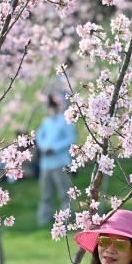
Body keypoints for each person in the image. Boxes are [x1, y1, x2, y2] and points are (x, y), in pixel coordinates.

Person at [36, 93, 77, 226]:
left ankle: (67, 219)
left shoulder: (66, 121)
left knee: (65, 193)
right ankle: (44, 219)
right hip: (46, 164)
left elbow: (71, 139)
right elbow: (39, 136)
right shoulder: (46, 121)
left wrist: (54, 148)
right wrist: (44, 147)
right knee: (46, 194)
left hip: (61, 162)